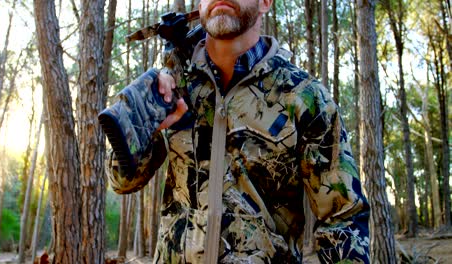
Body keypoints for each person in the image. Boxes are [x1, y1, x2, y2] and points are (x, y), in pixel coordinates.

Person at [100, 0, 370, 262]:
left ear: (265, 2)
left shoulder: (304, 97)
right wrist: (148, 123)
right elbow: (122, 183)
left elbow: (344, 219)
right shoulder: (173, 85)